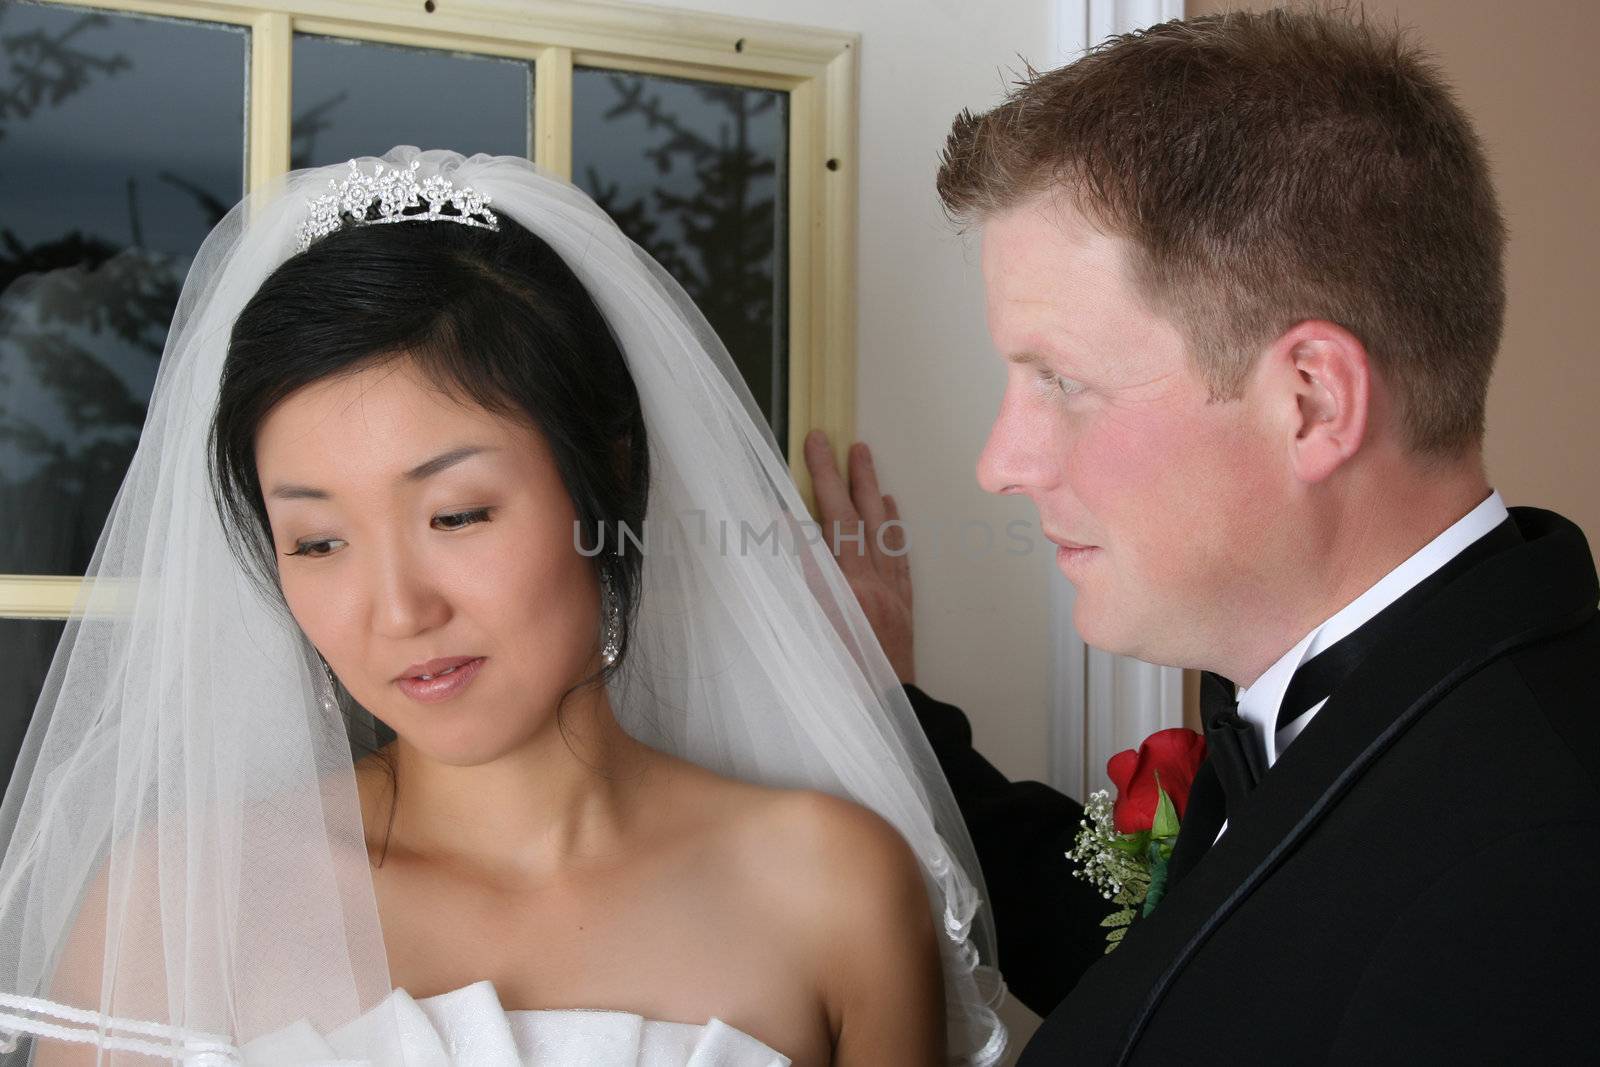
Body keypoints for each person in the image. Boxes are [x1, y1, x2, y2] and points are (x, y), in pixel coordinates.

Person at [0, 149, 1007, 1066]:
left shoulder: (834, 886)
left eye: (458, 513)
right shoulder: (174, 902)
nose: (396, 608)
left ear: (604, 486)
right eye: (316, 540)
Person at [809, 7, 1599, 1064]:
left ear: (1310, 402)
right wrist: (889, 711)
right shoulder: (1341, 710)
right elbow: (1169, 968)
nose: (1001, 461)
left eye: (1062, 381)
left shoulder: (1537, 872)